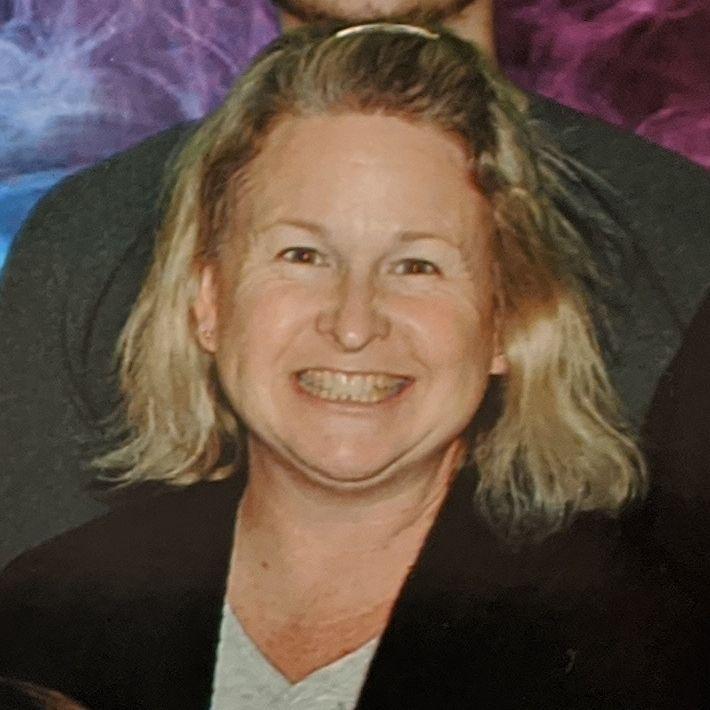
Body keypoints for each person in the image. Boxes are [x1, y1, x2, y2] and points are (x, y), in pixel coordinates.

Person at [0, 24, 705, 710]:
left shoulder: (643, 648)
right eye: (303, 256)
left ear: (505, 322)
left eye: (417, 266)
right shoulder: (41, 620)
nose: (353, 323)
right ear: (209, 301)